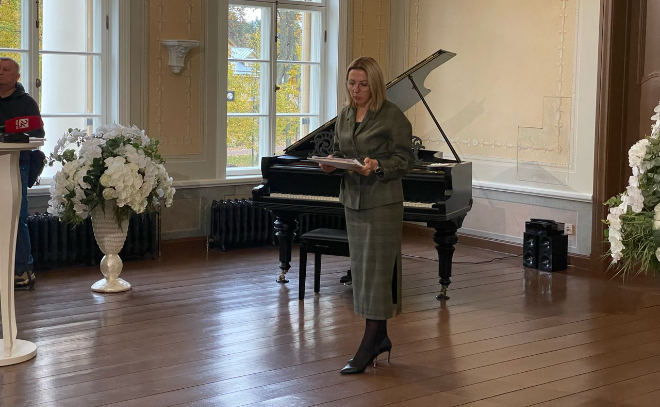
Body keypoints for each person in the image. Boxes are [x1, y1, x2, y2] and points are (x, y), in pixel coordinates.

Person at [319, 56, 414, 374]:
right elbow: (341, 151)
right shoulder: (345, 114)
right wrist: (331, 164)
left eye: (362, 84)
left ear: (374, 84)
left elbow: (406, 159)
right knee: (362, 271)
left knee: (377, 273)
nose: (356, 89)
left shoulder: (391, 115)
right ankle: (381, 337)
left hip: (381, 202)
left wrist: (379, 165)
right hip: (353, 201)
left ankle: (369, 343)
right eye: (351, 83)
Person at [0, 56, 45, 290]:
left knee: (17, 217)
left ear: (17, 76)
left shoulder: (27, 102)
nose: (0, 72)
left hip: (18, 164)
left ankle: (23, 270)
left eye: (6, 69)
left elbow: (38, 133)